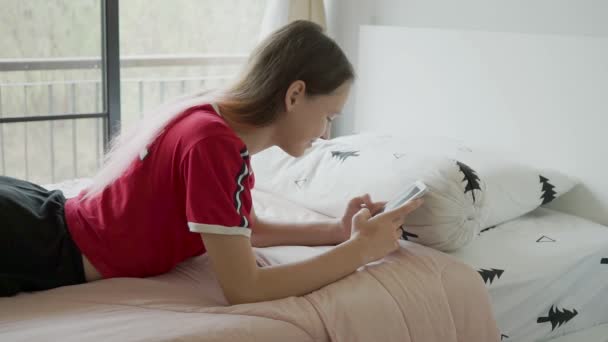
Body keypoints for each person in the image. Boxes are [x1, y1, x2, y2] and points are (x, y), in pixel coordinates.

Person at [0, 20, 423, 302]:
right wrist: (359, 252)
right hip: (41, 241)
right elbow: (244, 287)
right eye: (328, 115)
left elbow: (237, 231)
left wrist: (334, 231)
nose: (327, 133)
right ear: (294, 95)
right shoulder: (215, 147)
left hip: (44, 215)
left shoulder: (209, 122)